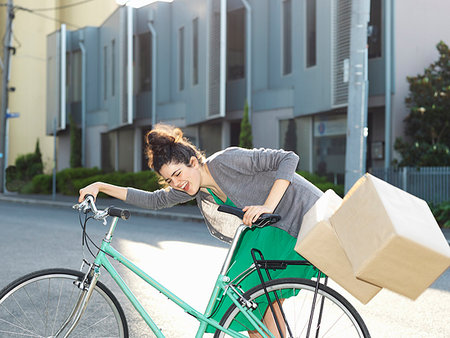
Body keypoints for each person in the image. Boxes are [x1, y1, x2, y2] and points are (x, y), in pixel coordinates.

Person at [79, 123, 323, 337]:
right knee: (250, 305)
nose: (177, 184)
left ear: (193, 162)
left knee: (244, 299)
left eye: (178, 174)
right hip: (273, 228)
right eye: (170, 180)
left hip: (297, 219)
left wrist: (267, 206)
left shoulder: (226, 161)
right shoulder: (195, 187)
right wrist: (101, 186)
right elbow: (154, 200)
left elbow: (288, 158)